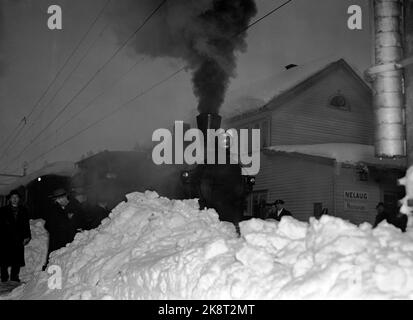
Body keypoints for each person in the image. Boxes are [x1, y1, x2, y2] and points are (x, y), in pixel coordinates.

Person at [44, 188, 85, 267]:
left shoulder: (75, 206)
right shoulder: (54, 209)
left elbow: (83, 221)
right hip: (57, 241)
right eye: (57, 199)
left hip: (71, 241)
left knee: (69, 265)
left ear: (66, 196)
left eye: (61, 198)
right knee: (55, 263)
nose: (59, 201)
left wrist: (76, 227)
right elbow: (47, 225)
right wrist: (57, 229)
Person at [0, 190, 31, 282]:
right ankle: (4, 277)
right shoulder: (2, 210)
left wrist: (27, 236)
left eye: (16, 197)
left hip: (19, 238)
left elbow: (26, 224)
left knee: (17, 258)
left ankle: (14, 277)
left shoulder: (23, 210)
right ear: (9, 199)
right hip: (5, 238)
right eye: (13, 197)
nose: (15, 199)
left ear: (19, 199)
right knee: (4, 258)